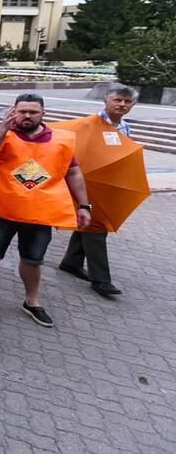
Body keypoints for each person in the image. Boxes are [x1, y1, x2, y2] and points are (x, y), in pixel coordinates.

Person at [0, 93, 91, 327]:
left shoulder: (61, 139)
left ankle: (32, 301)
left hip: (41, 213)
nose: (27, 116)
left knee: (33, 259)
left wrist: (83, 206)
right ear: (13, 111)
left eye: (33, 112)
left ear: (43, 113)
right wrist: (2, 129)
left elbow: (74, 173)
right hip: (2, 210)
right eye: (22, 111)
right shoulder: (2, 135)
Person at [58, 85, 137, 298]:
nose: (122, 105)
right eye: (117, 100)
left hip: (107, 183)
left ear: (133, 105)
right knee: (97, 228)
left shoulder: (125, 127)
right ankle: (101, 280)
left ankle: (71, 262)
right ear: (106, 100)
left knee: (89, 223)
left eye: (127, 102)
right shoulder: (89, 125)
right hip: (86, 182)